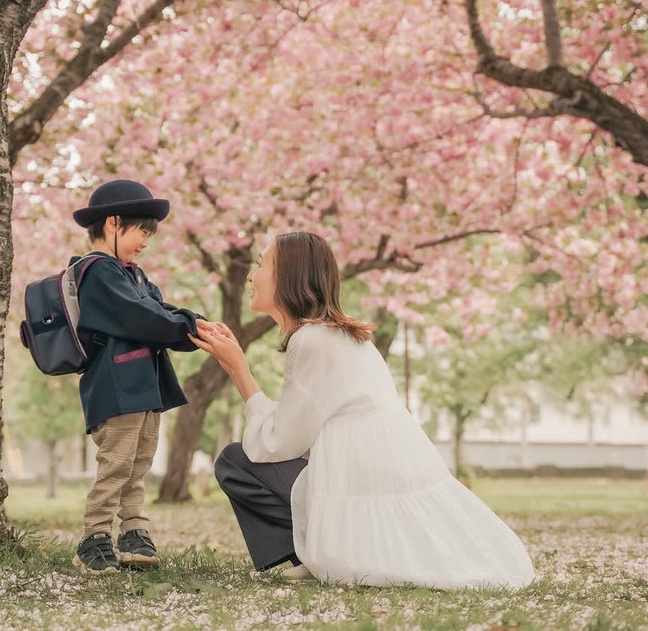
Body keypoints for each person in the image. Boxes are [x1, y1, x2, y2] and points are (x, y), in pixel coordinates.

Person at [190, 231, 535, 588]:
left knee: (235, 461)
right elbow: (301, 428)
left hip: (354, 478)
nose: (250, 275)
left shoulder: (312, 341)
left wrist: (239, 370)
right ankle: (316, 553)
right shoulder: (340, 336)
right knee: (245, 456)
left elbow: (278, 444)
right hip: (374, 474)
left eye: (261, 264)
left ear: (287, 275)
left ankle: (316, 555)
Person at [71, 179, 204, 575]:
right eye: (141, 231)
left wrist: (194, 327)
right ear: (113, 223)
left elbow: (161, 312)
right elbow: (144, 318)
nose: (146, 241)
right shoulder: (98, 273)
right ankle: (94, 537)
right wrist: (191, 326)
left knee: (138, 464)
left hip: (143, 386)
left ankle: (133, 533)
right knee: (116, 464)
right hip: (115, 388)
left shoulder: (132, 274)